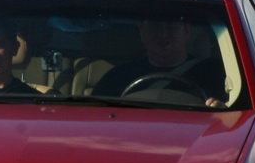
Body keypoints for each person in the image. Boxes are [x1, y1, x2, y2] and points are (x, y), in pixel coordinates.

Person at [92, 18, 226, 106]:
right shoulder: (117, 77)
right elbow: (93, 117)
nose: (163, 34)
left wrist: (222, 110)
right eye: (154, 26)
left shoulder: (216, 74)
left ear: (187, 31)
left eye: (172, 25)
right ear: (142, 32)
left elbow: (238, 116)